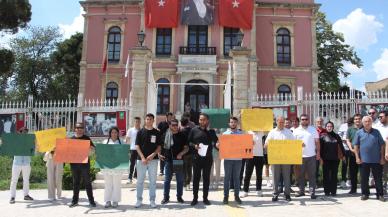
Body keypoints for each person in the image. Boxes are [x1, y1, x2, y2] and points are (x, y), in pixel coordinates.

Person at [188, 113, 218, 206]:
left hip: (208, 159)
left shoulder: (211, 132)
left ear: (207, 121)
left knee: (206, 179)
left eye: (204, 119)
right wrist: (194, 145)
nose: (202, 121)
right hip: (196, 158)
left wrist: (218, 144)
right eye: (200, 119)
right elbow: (189, 142)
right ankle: (195, 198)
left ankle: (205, 198)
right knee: (196, 179)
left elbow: (217, 143)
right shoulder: (194, 130)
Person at [354, 116, 385, 202]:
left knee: (378, 178)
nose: (367, 123)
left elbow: (382, 145)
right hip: (364, 160)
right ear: (363, 123)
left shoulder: (376, 132)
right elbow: (356, 146)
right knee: (364, 178)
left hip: (376, 160)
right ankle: (365, 194)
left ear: (371, 122)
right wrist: (357, 157)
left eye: (369, 121)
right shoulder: (359, 133)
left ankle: (380, 194)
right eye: (365, 122)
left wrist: (382, 157)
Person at [265, 116, 295, 202]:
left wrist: (300, 145)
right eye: (280, 122)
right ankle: (275, 194)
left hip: (286, 158)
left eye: (283, 122)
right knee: (275, 177)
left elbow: (294, 143)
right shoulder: (272, 132)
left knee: (286, 177)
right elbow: (266, 144)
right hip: (275, 158)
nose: (281, 124)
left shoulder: (288, 132)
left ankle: (287, 194)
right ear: (276, 122)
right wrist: (266, 145)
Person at [135, 113, 162, 208]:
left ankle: (152, 200)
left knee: (153, 181)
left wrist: (153, 155)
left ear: (153, 121)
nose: (149, 121)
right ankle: (139, 200)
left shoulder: (157, 132)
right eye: (147, 119)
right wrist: (142, 157)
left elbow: (159, 146)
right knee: (140, 181)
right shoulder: (140, 132)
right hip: (141, 160)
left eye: (150, 119)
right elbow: (137, 146)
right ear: (145, 120)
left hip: (153, 160)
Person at [159, 119, 189, 204]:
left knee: (179, 180)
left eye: (176, 125)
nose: (175, 126)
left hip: (178, 160)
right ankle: (166, 197)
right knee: (167, 180)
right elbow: (160, 146)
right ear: (170, 126)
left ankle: (179, 197)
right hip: (168, 160)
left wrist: (181, 153)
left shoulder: (182, 135)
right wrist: (159, 154)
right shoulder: (165, 135)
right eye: (173, 125)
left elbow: (186, 148)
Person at [293, 114, 320, 199]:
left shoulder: (313, 130)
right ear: (300, 121)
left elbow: (317, 142)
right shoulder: (296, 131)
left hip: (312, 155)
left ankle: (312, 192)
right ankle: (301, 191)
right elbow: (292, 144)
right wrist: (298, 144)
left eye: (306, 119)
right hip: (300, 156)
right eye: (302, 119)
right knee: (300, 175)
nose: (304, 121)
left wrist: (318, 153)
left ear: (308, 120)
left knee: (312, 175)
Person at [69, 122, 96, 208]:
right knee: (76, 183)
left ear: (83, 129)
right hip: (74, 164)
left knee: (87, 182)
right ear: (75, 129)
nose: (79, 129)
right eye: (78, 128)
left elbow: (93, 149)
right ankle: (74, 201)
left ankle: (91, 201)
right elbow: (67, 151)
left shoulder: (87, 138)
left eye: (81, 128)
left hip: (85, 164)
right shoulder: (71, 139)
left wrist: (91, 148)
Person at [220, 117, 243, 204]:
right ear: (229, 124)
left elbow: (245, 145)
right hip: (228, 159)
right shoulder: (225, 134)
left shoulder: (241, 134)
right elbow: (221, 146)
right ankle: (226, 196)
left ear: (237, 124)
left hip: (238, 159)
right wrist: (219, 145)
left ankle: (236, 196)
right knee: (227, 178)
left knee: (237, 178)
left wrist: (251, 143)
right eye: (231, 122)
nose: (233, 124)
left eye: (234, 122)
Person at [102, 127, 126, 208]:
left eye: (115, 132)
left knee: (117, 184)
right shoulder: (105, 142)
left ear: (118, 133)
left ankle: (115, 200)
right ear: (110, 133)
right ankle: (107, 200)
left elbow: (124, 154)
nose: (114, 134)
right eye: (112, 132)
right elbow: (102, 154)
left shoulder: (121, 142)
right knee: (108, 184)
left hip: (118, 167)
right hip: (107, 167)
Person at [320, 121, 345, 196]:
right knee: (326, 175)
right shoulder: (322, 136)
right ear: (326, 127)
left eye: (331, 126)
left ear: (333, 127)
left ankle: (333, 191)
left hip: (335, 159)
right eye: (328, 126)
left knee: (334, 175)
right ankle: (327, 191)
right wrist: (320, 158)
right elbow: (320, 148)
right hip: (325, 159)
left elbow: (341, 146)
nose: (329, 127)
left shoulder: (337, 136)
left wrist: (343, 156)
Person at [9, 127, 34, 204]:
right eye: (23, 132)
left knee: (26, 180)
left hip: (26, 163)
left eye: (26, 132)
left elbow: (32, 151)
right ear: (20, 133)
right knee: (14, 180)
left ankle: (26, 195)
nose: (25, 133)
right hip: (17, 163)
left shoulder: (29, 141)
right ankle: (12, 197)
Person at [241, 130, 265, 198]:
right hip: (249, 155)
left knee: (259, 174)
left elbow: (264, 142)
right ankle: (245, 191)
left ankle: (259, 190)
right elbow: (243, 143)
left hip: (260, 155)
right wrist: (248, 142)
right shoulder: (247, 132)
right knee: (247, 174)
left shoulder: (262, 132)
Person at [346, 114, 363, 194]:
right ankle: (353, 188)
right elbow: (348, 140)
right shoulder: (350, 129)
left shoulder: (364, 128)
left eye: (359, 119)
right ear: (353, 120)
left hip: (363, 154)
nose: (357, 120)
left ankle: (364, 189)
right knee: (353, 172)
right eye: (356, 119)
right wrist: (351, 149)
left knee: (363, 172)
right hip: (353, 153)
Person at [126, 117, 141, 183]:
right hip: (132, 149)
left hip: (140, 150)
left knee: (138, 164)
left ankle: (136, 176)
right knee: (132, 164)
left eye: (138, 121)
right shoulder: (130, 130)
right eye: (136, 121)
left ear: (140, 122)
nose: (137, 123)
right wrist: (127, 149)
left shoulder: (141, 130)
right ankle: (130, 177)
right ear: (134, 122)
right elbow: (127, 139)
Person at [181, 117, 193, 190]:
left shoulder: (181, 131)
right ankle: (188, 183)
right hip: (191, 151)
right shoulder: (192, 130)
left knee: (184, 169)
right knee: (189, 168)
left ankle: (184, 184)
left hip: (183, 152)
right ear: (187, 123)